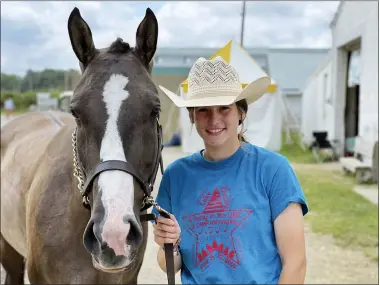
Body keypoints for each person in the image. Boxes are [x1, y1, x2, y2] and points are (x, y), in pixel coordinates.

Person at [152, 56, 309, 284]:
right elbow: (168, 264)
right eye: (203, 109)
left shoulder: (274, 170)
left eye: (224, 108)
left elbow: (296, 264)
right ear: (192, 116)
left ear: (241, 113)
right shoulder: (175, 176)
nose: (214, 119)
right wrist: (171, 244)